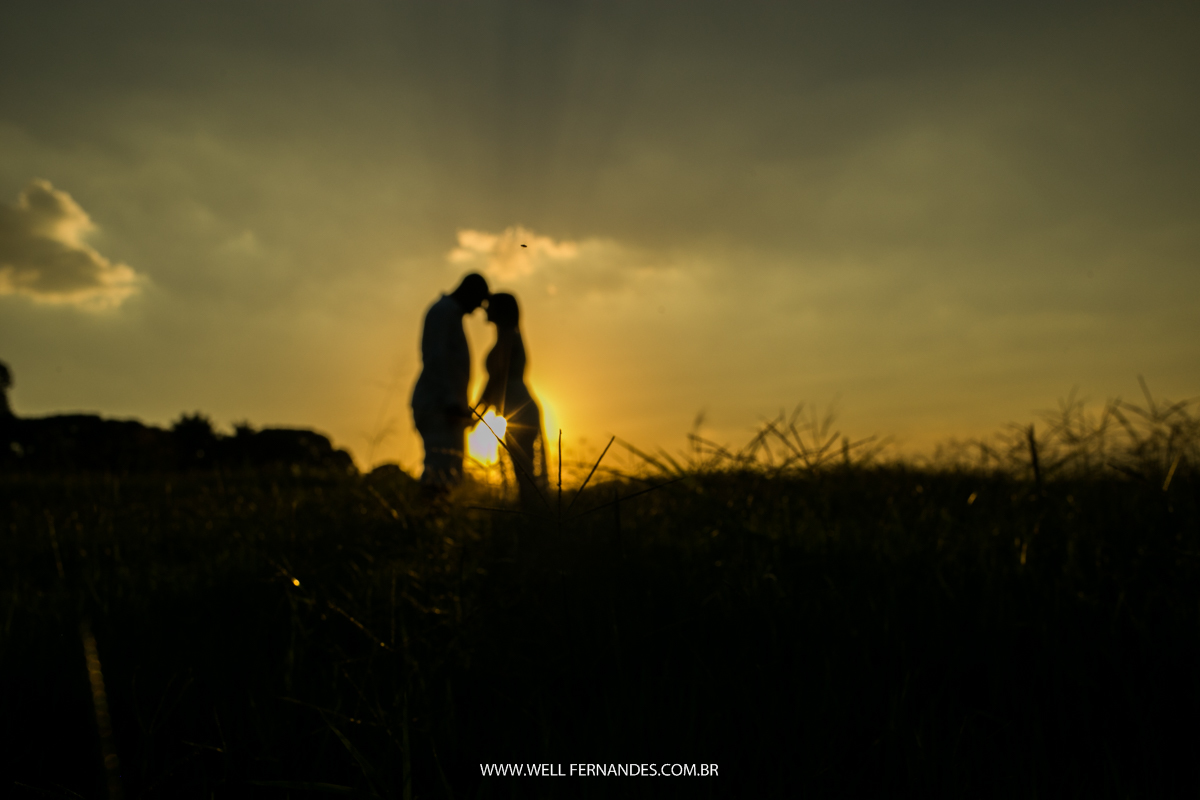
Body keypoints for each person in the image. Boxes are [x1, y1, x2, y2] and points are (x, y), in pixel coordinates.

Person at [411, 273, 490, 494]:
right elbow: (436, 358)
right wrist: (451, 401)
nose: (478, 308)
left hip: (446, 406)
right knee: (440, 469)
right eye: (479, 300)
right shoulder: (442, 312)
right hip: (438, 406)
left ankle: (438, 512)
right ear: (470, 291)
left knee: (450, 471)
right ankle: (430, 513)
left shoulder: (450, 314)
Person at [477, 292, 545, 510]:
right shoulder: (508, 337)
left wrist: (476, 412)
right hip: (517, 407)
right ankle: (532, 513)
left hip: (519, 408)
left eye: (489, 306)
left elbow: (496, 379)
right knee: (523, 470)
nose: (484, 309)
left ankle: (532, 514)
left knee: (523, 471)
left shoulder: (507, 337)